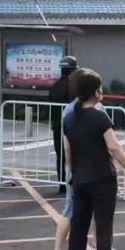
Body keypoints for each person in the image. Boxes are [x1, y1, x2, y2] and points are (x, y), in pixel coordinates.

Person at [61, 69, 125, 250]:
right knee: (103, 227)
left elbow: (67, 153)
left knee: (78, 226)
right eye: (100, 88)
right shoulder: (100, 116)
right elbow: (114, 147)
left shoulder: (69, 118)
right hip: (102, 179)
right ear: (95, 92)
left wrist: (75, 172)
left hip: (79, 179)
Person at [49, 71, 120, 250]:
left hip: (87, 170)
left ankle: (97, 247)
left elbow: (72, 146)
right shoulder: (73, 110)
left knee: (93, 212)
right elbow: (111, 144)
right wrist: (72, 170)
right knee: (71, 210)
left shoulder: (92, 109)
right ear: (93, 90)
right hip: (84, 170)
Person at [48, 55, 77, 193]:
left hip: (57, 126)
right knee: (75, 155)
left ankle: (62, 185)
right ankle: (74, 183)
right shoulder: (74, 87)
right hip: (72, 126)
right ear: (73, 70)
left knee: (61, 156)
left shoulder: (55, 86)